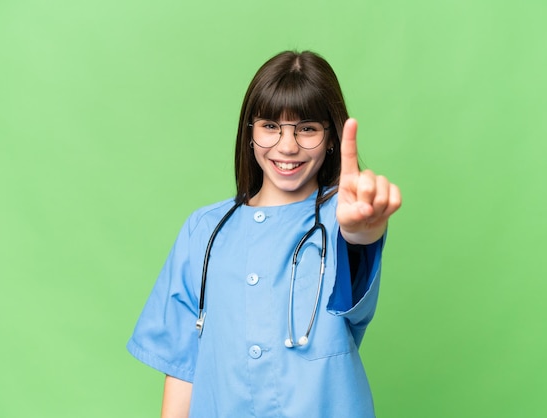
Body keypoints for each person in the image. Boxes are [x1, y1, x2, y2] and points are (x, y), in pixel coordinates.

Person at [127, 50, 402, 418]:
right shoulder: (204, 231)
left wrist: (363, 232)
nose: (287, 146)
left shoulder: (341, 222)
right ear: (250, 133)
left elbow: (357, 252)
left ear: (331, 137)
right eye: (271, 126)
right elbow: (182, 368)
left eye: (307, 128)